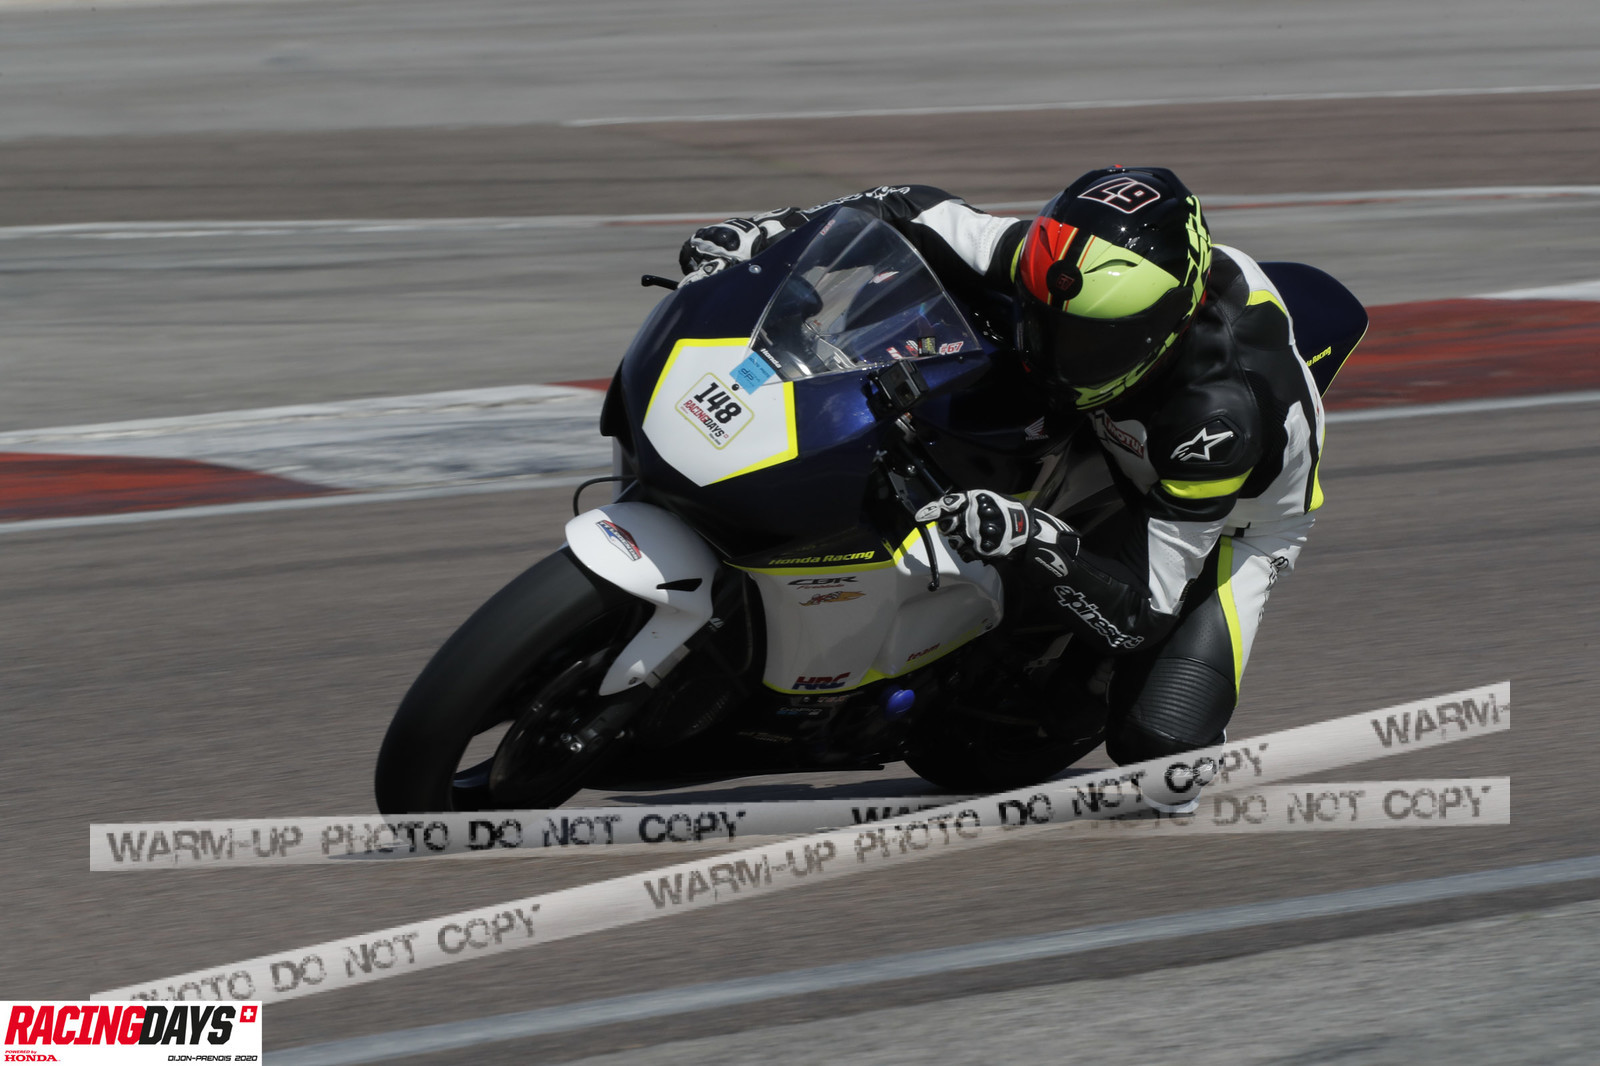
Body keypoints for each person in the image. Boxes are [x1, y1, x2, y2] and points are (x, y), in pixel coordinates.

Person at [677, 168, 1326, 812]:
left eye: (1091, 342)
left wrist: (1030, 535)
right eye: (1049, 322)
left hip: (1228, 523)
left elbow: (1143, 609)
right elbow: (911, 209)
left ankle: (1093, 691)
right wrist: (772, 232)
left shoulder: (1217, 418)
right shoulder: (1058, 267)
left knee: (1161, 755)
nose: (1060, 355)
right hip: (1112, 424)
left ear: (1165, 327)